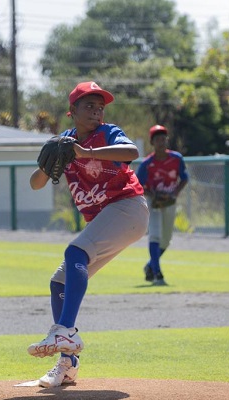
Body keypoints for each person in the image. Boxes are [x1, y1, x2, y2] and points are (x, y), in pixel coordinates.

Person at [28, 81, 149, 387]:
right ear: (72, 112)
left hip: (128, 208)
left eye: (100, 107)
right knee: (59, 281)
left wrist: (85, 151)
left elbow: (132, 151)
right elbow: (35, 183)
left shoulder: (107, 133)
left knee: (74, 253)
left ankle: (65, 331)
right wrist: (47, 164)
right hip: (106, 218)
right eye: (89, 106)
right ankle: (67, 363)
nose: (96, 111)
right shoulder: (63, 142)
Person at [135, 125, 189, 285]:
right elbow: (138, 185)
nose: (161, 142)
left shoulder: (176, 158)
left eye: (163, 138)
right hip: (154, 202)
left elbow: (184, 178)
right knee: (156, 235)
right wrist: (153, 195)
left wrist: (174, 193)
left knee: (166, 240)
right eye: (157, 139)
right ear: (152, 142)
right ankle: (157, 274)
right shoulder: (147, 164)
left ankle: (150, 265)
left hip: (170, 200)